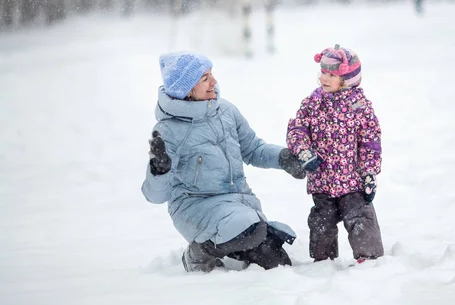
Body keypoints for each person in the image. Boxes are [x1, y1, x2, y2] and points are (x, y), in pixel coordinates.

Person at [142, 52, 306, 273]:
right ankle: (200, 251)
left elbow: (253, 148)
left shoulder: (226, 111)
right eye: (205, 78)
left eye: (212, 74)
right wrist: (159, 169)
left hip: (239, 206)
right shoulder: (168, 130)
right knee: (250, 230)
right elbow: (156, 196)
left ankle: (238, 242)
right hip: (196, 207)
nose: (214, 81)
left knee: (277, 262)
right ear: (187, 88)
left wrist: (284, 158)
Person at [286, 44, 384, 264]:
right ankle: (323, 261)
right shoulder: (313, 103)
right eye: (322, 72)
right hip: (322, 180)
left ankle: (368, 258)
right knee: (322, 222)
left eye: (331, 74)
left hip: (353, 181)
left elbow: (370, 142)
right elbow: (297, 128)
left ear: (347, 79)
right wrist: (303, 150)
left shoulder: (359, 106)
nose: (324, 78)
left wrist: (369, 173)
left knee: (360, 218)